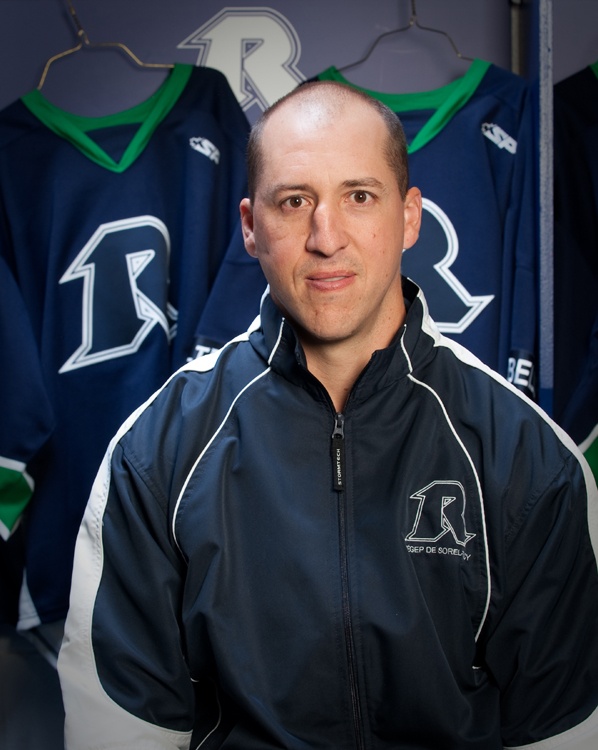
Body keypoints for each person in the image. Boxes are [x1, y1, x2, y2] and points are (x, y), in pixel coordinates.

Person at [58, 81, 598, 749]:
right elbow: (117, 727)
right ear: (251, 226)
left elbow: (563, 729)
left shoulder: (528, 457)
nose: (326, 237)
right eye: (294, 202)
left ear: (409, 218)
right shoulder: (157, 451)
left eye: (359, 197)